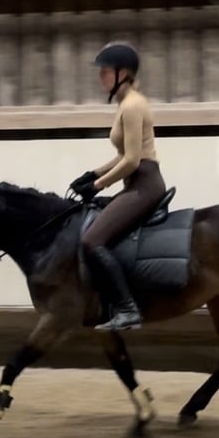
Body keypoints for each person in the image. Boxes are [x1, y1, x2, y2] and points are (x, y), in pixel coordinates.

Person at [69, 41, 167, 332]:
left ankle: (127, 309)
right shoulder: (126, 104)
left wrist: (99, 185)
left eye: (105, 72)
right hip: (135, 181)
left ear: (123, 73)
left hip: (144, 185)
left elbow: (134, 160)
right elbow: (122, 155)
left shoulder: (133, 105)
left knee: (90, 241)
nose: (101, 78)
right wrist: (91, 174)